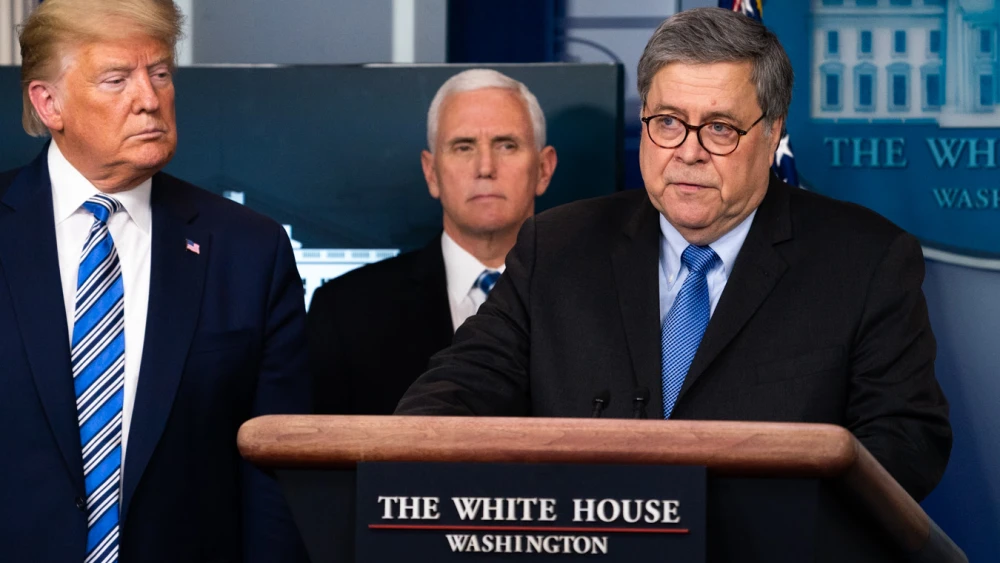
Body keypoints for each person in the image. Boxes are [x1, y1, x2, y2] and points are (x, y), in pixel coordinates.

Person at [396, 8, 951, 502]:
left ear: (773, 130)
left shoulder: (865, 260)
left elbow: (906, 443)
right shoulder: (558, 248)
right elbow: (452, 397)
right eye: (667, 122)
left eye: (719, 128)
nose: (688, 152)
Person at [0, 1, 310, 560]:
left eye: (160, 73)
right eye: (117, 79)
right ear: (48, 103)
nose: (149, 99)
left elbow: (279, 472)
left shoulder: (247, 249)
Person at [308, 69, 557, 414]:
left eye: (506, 145)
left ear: (544, 169)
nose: (485, 167)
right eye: (463, 146)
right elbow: (321, 459)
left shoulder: (598, 303)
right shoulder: (344, 313)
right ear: (431, 173)